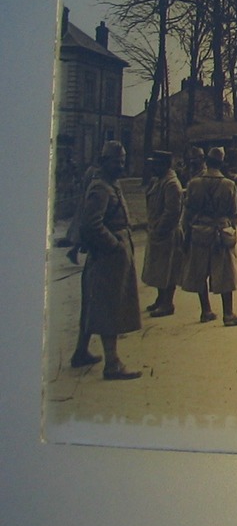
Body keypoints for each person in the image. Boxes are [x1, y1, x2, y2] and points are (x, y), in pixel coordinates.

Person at [68, 140, 142, 379]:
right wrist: (114, 245)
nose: (121, 165)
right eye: (116, 161)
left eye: (123, 160)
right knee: (109, 307)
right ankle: (113, 363)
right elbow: (91, 225)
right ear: (104, 161)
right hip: (107, 257)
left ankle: (81, 352)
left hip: (113, 256)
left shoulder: (111, 184)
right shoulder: (100, 188)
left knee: (93, 304)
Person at [181, 146, 237, 326]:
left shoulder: (194, 183)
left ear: (207, 162)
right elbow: (233, 212)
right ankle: (228, 314)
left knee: (200, 271)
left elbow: (187, 212)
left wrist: (186, 233)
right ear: (221, 164)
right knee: (225, 273)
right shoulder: (228, 185)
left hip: (200, 231)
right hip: (221, 233)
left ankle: (206, 311)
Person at [141, 150, 183, 317]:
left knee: (168, 270)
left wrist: (159, 229)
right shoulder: (158, 181)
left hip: (168, 233)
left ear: (165, 165)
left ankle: (168, 303)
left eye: (156, 164)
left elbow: (172, 212)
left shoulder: (171, 183)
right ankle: (160, 299)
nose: (153, 167)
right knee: (158, 270)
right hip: (158, 232)